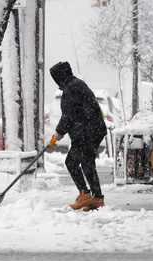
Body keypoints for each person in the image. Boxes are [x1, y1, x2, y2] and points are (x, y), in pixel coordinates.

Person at [50, 61, 107, 211]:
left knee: (71, 162)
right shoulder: (76, 84)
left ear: (59, 76)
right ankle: (97, 198)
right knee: (87, 163)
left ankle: (85, 194)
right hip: (92, 130)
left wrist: (60, 131)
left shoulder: (71, 88)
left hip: (87, 132)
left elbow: (68, 114)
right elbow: (74, 112)